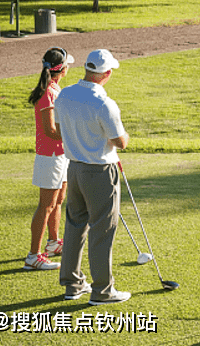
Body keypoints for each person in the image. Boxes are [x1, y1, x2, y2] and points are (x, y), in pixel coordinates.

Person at [55, 48, 131, 305]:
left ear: (87, 69)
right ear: (106, 73)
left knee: (75, 225)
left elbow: (61, 126)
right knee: (102, 230)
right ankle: (102, 291)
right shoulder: (104, 103)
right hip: (100, 172)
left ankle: (73, 285)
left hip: (73, 168)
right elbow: (120, 142)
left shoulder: (65, 95)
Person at [24, 47, 74, 271]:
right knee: (46, 205)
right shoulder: (47, 94)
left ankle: (53, 243)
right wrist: (76, 136)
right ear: (61, 69)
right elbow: (50, 130)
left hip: (60, 154)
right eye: (67, 64)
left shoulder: (54, 88)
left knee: (58, 200)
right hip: (50, 156)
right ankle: (33, 256)